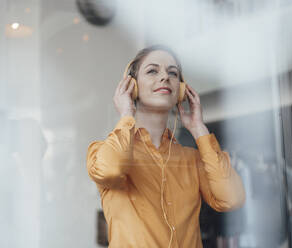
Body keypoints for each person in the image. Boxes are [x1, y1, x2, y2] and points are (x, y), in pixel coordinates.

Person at [86, 44, 246, 248]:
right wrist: (127, 114)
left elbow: (231, 198)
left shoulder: (193, 159)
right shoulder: (103, 151)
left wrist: (198, 129)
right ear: (132, 86)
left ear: (180, 91)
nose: (165, 77)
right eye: (153, 71)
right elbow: (110, 170)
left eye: (173, 73)